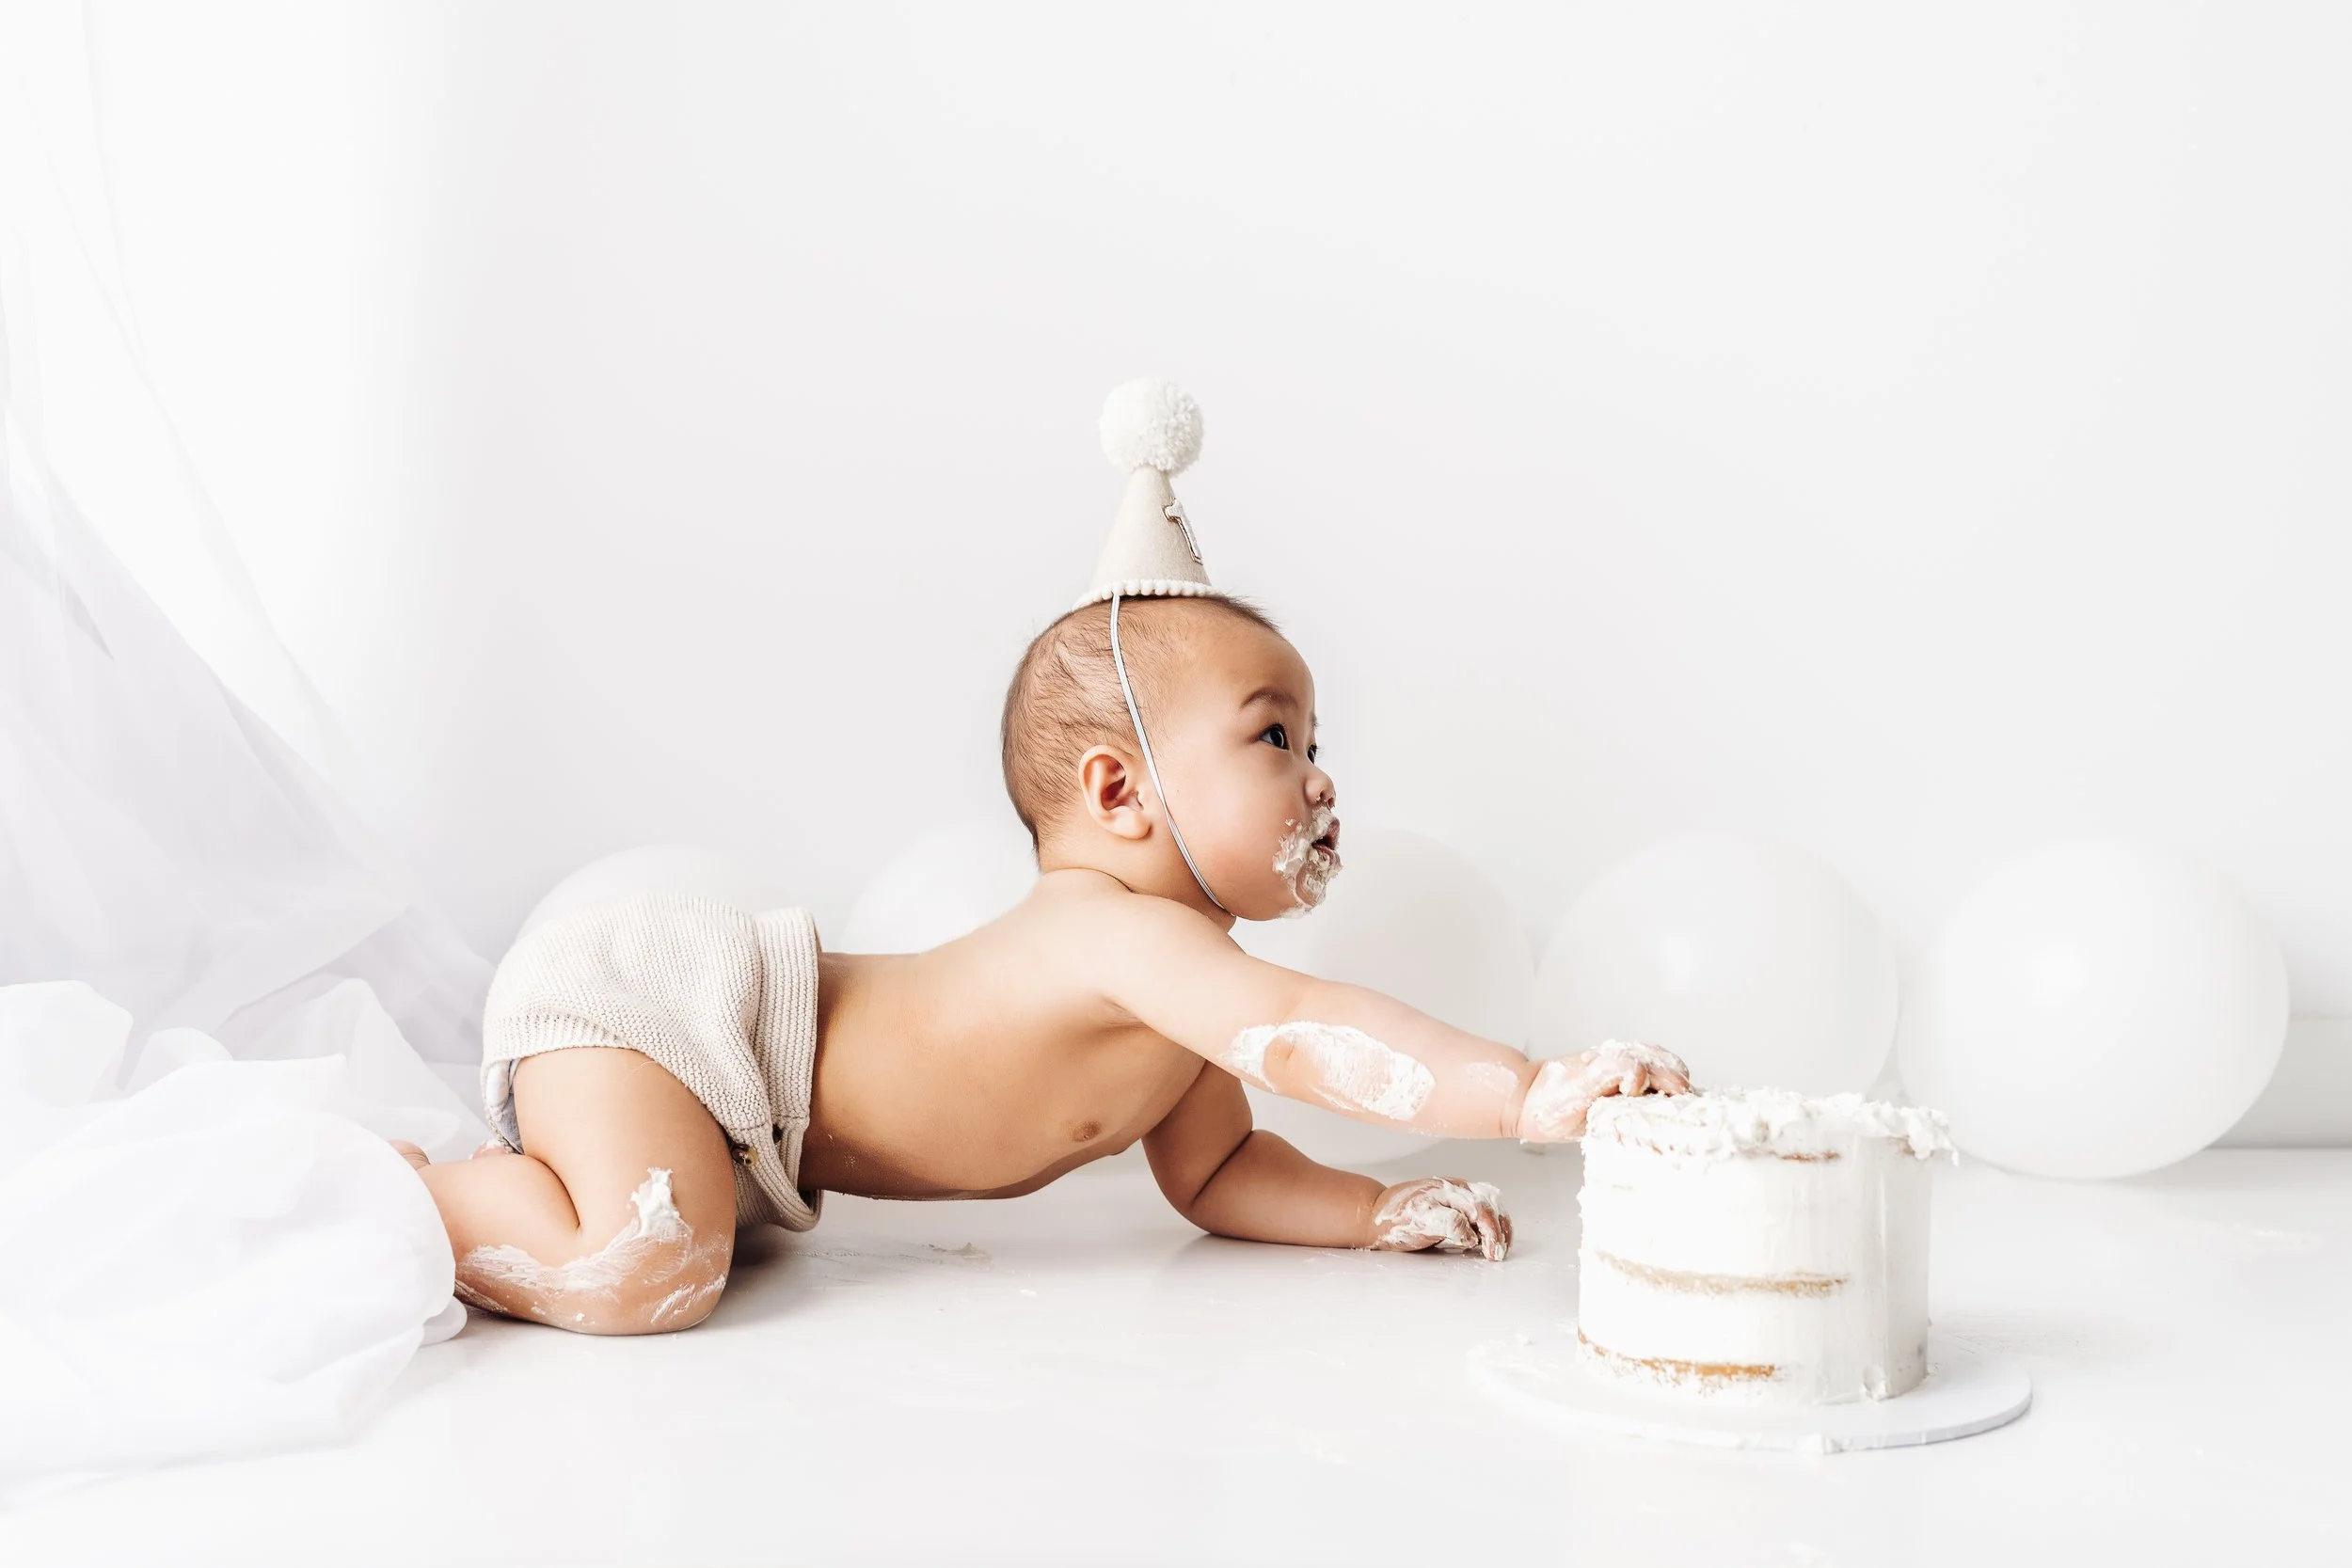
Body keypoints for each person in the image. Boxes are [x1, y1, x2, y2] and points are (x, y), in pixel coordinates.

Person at [396, 382, 1692, 1334]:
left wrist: (1367, 1214)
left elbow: (1222, 1173)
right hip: (671, 1013)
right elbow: (1301, 1028)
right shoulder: (1111, 933)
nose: (1319, 773)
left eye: (1314, 734)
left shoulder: (1181, 990)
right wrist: (1524, 1092)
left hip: (740, 1114)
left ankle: (542, 1183)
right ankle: (414, 1192)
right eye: (1274, 735)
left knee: (692, 1243)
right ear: (1120, 790)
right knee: (645, 1271)